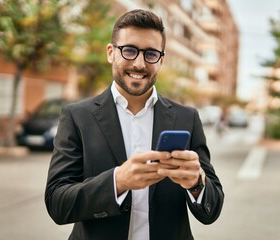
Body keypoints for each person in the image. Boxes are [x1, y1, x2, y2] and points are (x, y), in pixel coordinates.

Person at [44, 9, 224, 240]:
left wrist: (196, 183)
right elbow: (57, 203)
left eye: (150, 54)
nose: (139, 64)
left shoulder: (187, 118)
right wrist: (117, 181)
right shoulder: (77, 116)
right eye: (129, 50)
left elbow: (212, 209)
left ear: (161, 59)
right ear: (111, 53)